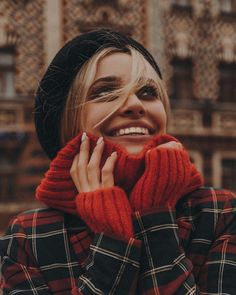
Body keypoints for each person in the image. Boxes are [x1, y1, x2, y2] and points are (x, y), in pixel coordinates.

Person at [1, 29, 236, 295]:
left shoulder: (221, 214)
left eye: (148, 92)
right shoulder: (28, 237)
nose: (135, 104)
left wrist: (156, 213)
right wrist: (112, 238)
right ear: (67, 119)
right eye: (106, 92)